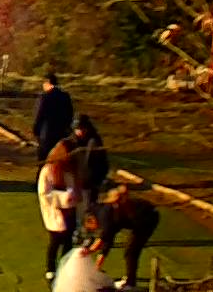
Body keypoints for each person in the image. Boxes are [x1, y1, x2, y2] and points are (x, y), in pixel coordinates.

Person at [82, 185, 160, 291]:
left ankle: (131, 283)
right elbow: (107, 243)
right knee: (130, 250)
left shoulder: (104, 217)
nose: (94, 230)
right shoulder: (101, 213)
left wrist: (90, 251)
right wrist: (96, 267)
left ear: (91, 220)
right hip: (142, 216)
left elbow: (102, 239)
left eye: (91, 228)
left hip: (146, 218)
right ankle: (130, 279)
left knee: (131, 251)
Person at [39, 140, 80, 282]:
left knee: (69, 241)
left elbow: (75, 187)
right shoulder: (48, 171)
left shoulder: (70, 169)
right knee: (55, 241)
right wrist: (64, 197)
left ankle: (66, 267)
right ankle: (50, 268)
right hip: (56, 213)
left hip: (70, 211)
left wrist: (73, 196)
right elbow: (44, 193)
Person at [68, 115, 110, 207]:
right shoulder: (72, 142)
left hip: (91, 182)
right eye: (78, 129)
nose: (80, 131)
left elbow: (102, 163)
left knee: (89, 207)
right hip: (75, 181)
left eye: (82, 128)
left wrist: (99, 180)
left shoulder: (95, 142)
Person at [34, 73, 74, 163]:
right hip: (61, 134)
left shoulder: (44, 97)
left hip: (46, 135)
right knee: (59, 162)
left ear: (47, 83)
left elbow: (39, 115)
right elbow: (70, 114)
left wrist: (36, 130)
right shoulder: (65, 96)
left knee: (44, 162)